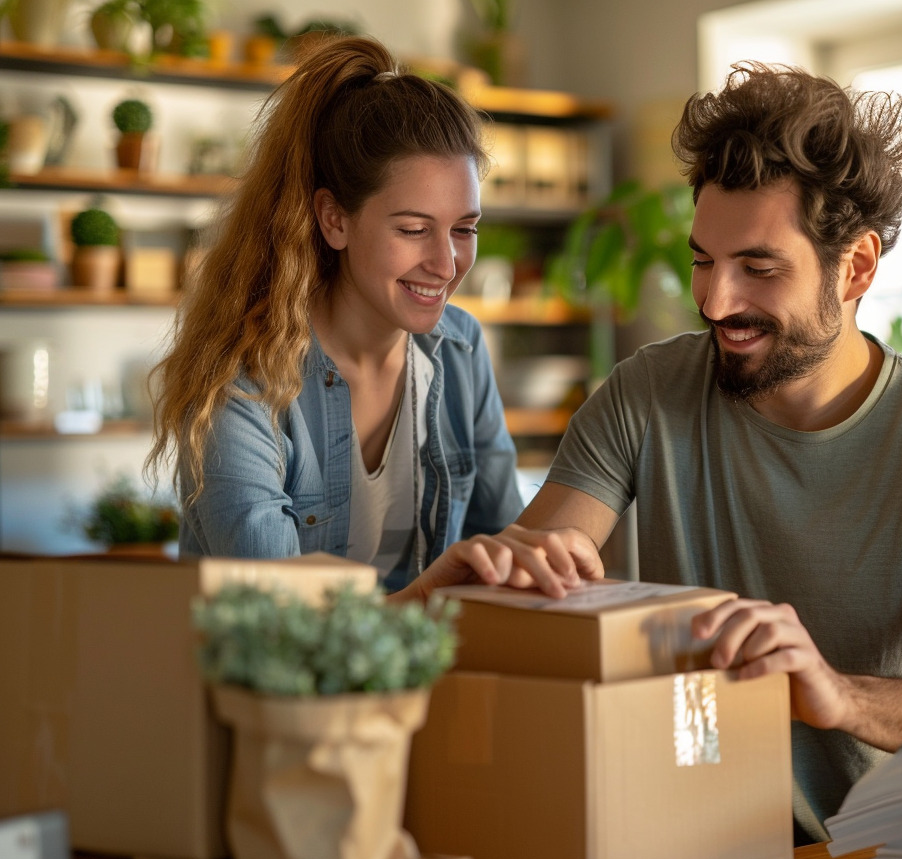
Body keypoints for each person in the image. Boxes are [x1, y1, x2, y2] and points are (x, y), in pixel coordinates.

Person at [511, 63, 902, 842]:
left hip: (859, 854)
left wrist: (837, 694)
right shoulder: (644, 394)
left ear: (856, 266)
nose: (716, 301)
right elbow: (534, 578)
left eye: (758, 269)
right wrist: (531, 573)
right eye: (703, 260)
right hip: (667, 839)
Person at [146, 36, 600, 601]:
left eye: (464, 229)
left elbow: (502, 549)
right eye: (413, 229)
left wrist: (539, 559)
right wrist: (438, 586)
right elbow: (278, 622)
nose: (446, 262)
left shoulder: (460, 349)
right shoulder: (242, 383)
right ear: (334, 219)